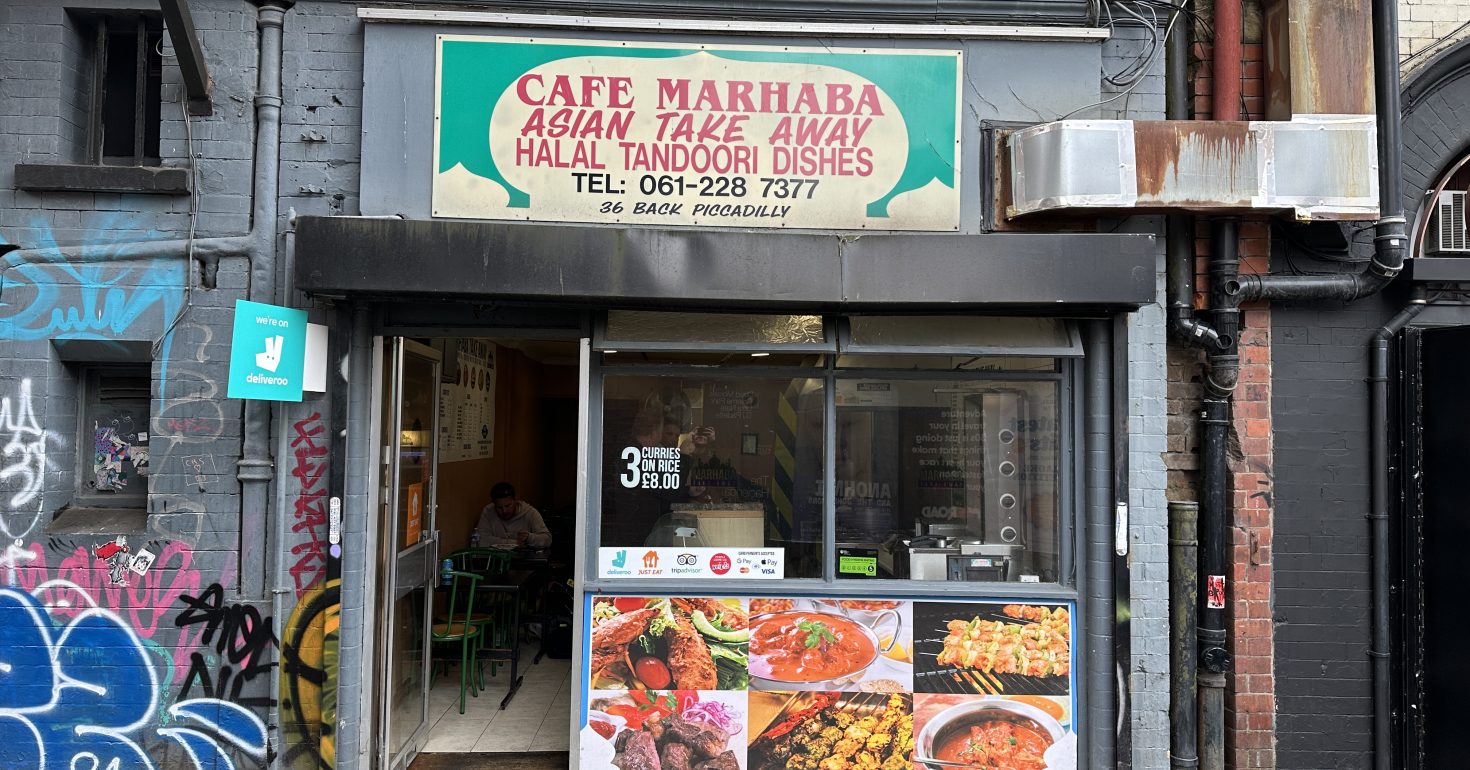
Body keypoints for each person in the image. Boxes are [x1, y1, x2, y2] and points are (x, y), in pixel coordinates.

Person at [475, 481, 552, 547]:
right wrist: (514, 543)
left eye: (508, 506)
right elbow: (481, 540)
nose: (504, 511)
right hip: (496, 558)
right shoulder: (488, 512)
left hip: (524, 558)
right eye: (499, 507)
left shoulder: (530, 513)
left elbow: (547, 539)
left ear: (516, 500)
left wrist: (530, 537)